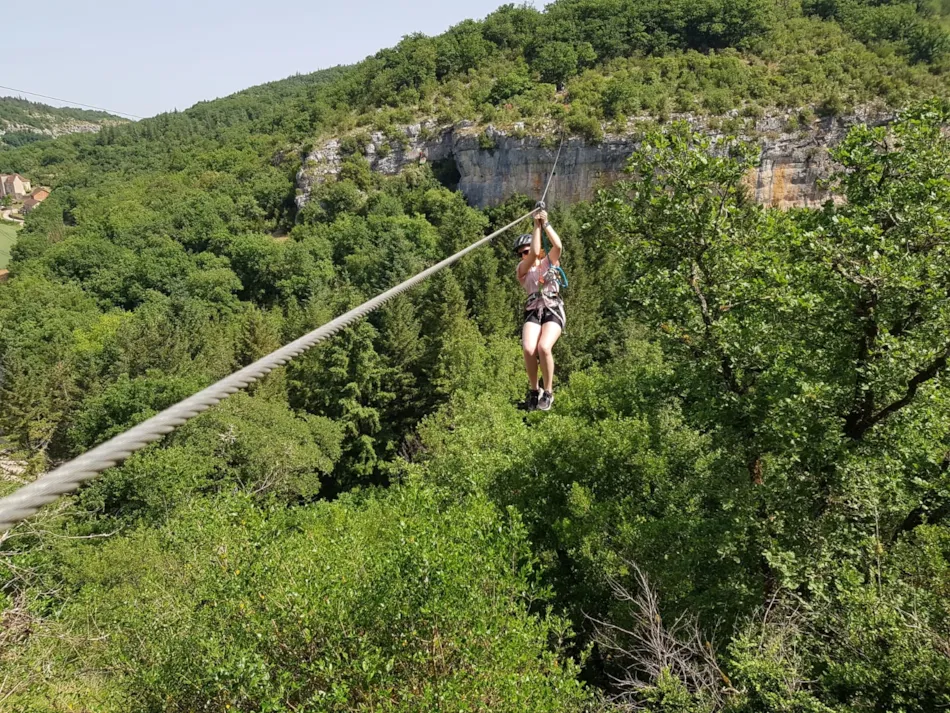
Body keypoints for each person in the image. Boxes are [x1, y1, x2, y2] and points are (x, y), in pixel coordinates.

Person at [514, 209, 564, 411]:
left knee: (543, 347)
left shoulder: (549, 262)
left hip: (552, 307)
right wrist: (536, 226)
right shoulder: (522, 271)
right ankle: (534, 390)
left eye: (525, 251)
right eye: (521, 253)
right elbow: (534, 253)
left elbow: (558, 245)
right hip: (534, 310)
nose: (524, 255)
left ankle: (548, 391)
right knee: (528, 349)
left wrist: (546, 224)